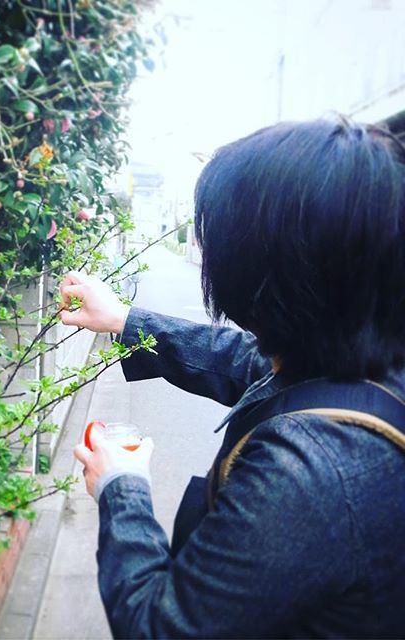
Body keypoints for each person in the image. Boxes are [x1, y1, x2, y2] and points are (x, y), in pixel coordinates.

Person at [59, 119, 405, 638]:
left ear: (268, 265)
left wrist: (120, 487)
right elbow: (245, 359)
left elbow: (160, 627)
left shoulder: (308, 472)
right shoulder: (359, 357)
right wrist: (123, 320)